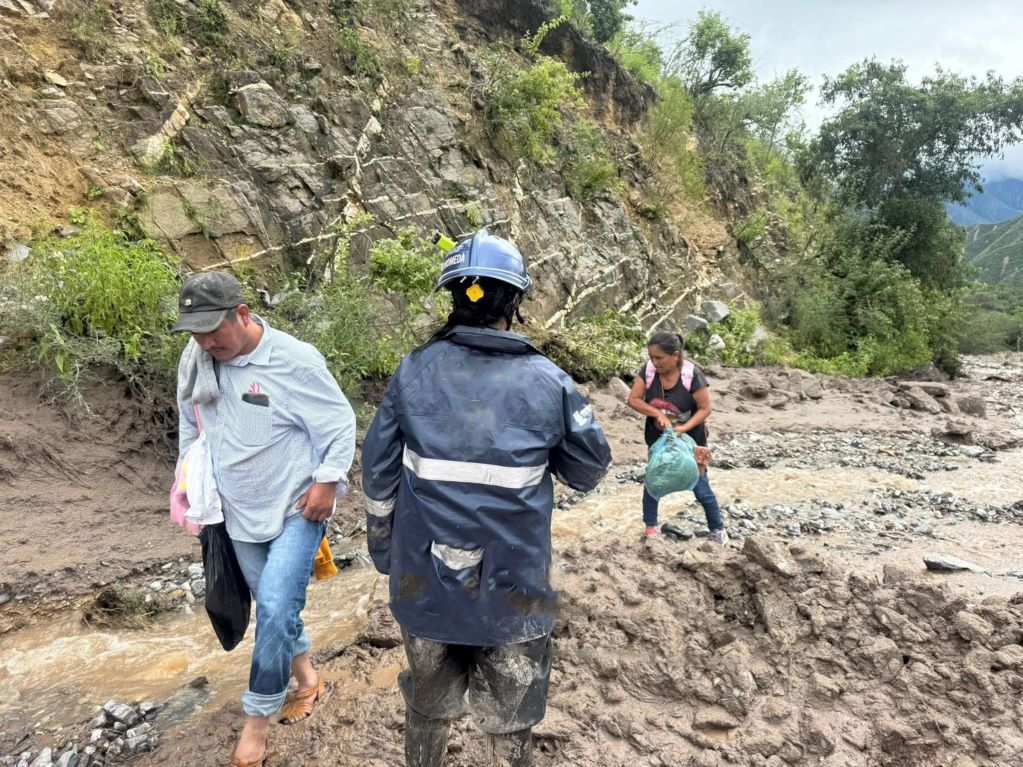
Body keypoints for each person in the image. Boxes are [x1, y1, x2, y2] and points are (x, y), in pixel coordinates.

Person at [361, 228, 612, 767]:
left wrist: (385, 554)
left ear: (453, 298)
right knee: (512, 716)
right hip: (516, 589)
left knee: (427, 708)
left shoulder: (411, 372)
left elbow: (377, 478)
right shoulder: (551, 383)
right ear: (515, 302)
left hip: (421, 582)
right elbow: (590, 469)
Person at [172, 271, 357, 767]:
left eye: (215, 330)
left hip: (298, 507)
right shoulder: (196, 361)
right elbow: (191, 425)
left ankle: (257, 721)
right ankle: (310, 681)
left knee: (275, 606)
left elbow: (340, 422)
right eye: (196, 332)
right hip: (236, 510)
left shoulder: (293, 360)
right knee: (276, 609)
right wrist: (190, 484)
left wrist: (327, 481)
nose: (207, 342)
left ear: (244, 315)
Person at [626, 331, 727, 544]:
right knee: (654, 481)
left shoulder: (693, 375)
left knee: (700, 484)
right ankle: (651, 532)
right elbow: (633, 399)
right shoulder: (649, 371)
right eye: (651, 357)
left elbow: (705, 408)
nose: (654, 362)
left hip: (694, 439)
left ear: (675, 355)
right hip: (659, 439)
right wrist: (657, 413)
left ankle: (718, 530)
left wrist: (684, 428)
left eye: (659, 358)